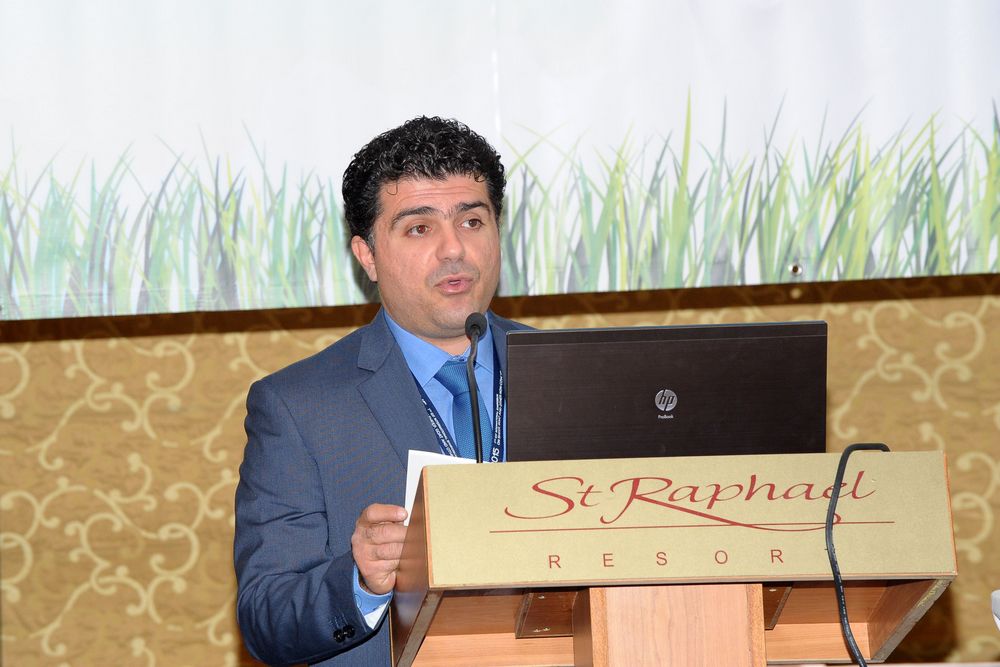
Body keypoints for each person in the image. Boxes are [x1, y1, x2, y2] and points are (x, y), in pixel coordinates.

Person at [234, 117, 528, 666]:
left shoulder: (577, 373)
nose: (454, 250)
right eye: (419, 229)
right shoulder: (298, 407)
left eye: (472, 221)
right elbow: (265, 618)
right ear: (367, 255)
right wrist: (361, 580)